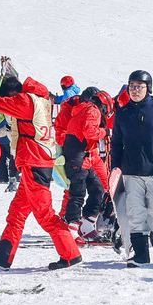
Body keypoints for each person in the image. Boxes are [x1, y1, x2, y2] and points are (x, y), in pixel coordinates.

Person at [0, 73, 81, 271]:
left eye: (9, 99)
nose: (9, 104)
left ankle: (70, 253)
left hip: (35, 162)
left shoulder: (23, 101)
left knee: (45, 214)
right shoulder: (39, 99)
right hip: (36, 161)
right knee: (17, 212)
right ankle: (3, 256)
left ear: (13, 93)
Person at [111, 70, 153, 266]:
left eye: (139, 87)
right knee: (135, 212)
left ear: (147, 88)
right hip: (131, 172)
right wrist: (115, 167)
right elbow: (116, 143)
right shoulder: (123, 113)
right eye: (132, 87)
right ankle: (140, 253)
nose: (135, 90)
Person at [57, 87, 110, 231]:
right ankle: (69, 221)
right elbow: (84, 131)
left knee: (101, 187)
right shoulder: (85, 110)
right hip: (78, 154)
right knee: (76, 191)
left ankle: (90, 221)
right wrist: (103, 132)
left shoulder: (83, 109)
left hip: (88, 153)